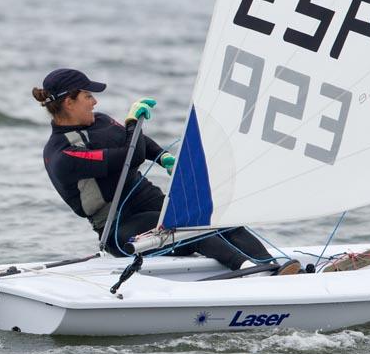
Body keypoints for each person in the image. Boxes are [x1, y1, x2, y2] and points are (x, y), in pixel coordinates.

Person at [34, 68, 288, 272]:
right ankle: (253, 272)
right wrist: (133, 122)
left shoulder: (98, 120)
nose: (95, 101)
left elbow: (136, 142)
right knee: (185, 231)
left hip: (148, 200)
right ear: (69, 102)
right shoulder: (62, 154)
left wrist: (164, 158)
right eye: (88, 96)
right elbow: (131, 155)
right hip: (120, 227)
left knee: (215, 218)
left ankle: (273, 267)